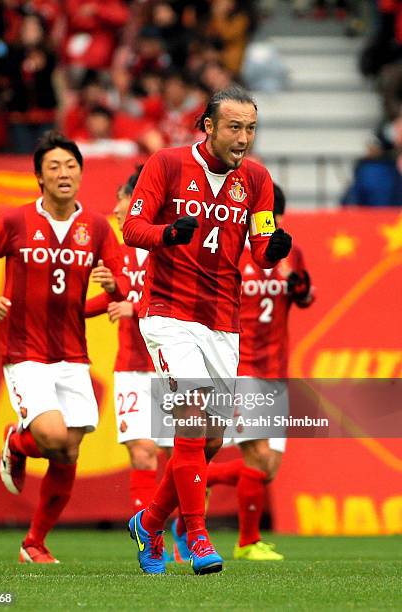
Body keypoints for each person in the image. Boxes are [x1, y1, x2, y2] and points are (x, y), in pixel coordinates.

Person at [122, 85, 292, 575]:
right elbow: (133, 229)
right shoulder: (167, 164)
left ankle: (149, 523)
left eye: (251, 128)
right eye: (234, 127)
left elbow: (260, 248)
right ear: (209, 126)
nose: (243, 138)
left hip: (223, 318)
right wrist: (166, 234)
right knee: (191, 421)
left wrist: (274, 248)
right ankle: (195, 535)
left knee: (212, 439)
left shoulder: (257, 179)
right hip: (168, 312)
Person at [0, 130, 127, 563]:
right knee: (52, 435)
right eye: (53, 167)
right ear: (39, 177)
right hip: (24, 352)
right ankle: (18, 442)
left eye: (70, 166)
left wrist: (114, 288)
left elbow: (125, 284)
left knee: (68, 451)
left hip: (73, 354)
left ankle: (34, 543)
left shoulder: (94, 227)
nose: (63, 173)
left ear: (81, 173)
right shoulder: (14, 221)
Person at [171, 183, 315, 562]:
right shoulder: (233, 251)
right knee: (258, 455)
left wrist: (302, 291)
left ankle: (198, 481)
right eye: (267, 219)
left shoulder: (289, 253)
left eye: (276, 219)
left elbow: (304, 297)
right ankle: (247, 542)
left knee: (267, 468)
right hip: (242, 363)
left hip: (276, 368)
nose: (271, 227)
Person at [85, 166, 173, 515]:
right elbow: (114, 299)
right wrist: (67, 310)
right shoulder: (118, 253)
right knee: (141, 450)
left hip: (170, 364)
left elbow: (177, 300)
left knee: (181, 454)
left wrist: (132, 307)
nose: (118, 210)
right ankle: (147, 540)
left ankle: (185, 535)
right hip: (133, 367)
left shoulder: (168, 250)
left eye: (123, 200)